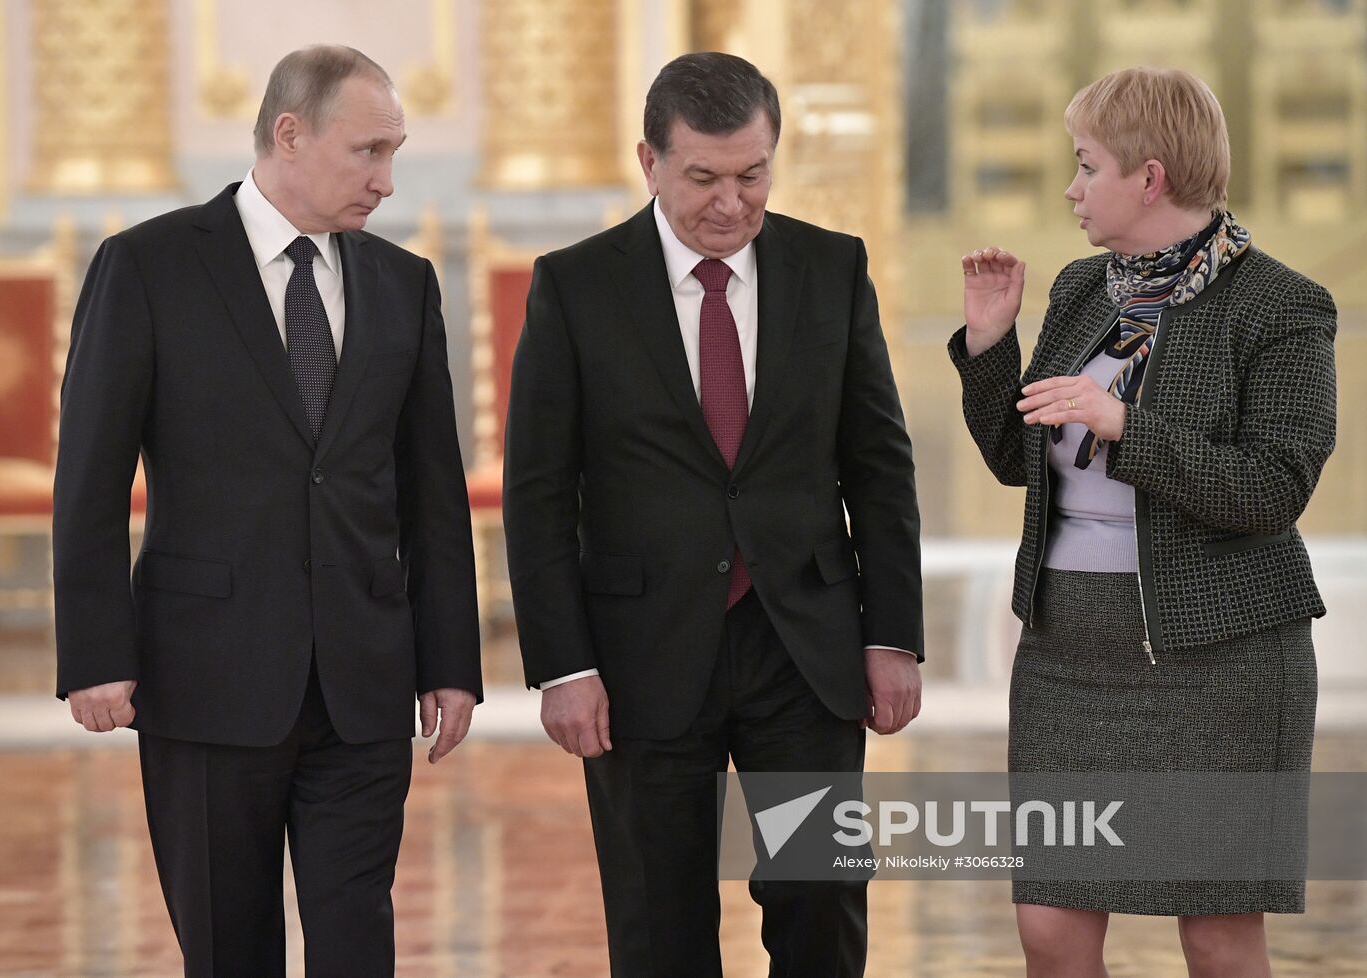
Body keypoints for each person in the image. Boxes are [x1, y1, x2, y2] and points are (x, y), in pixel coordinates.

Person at [52, 46, 481, 978]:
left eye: (396, 152)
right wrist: (94, 655)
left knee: (356, 944)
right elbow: (86, 483)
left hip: (364, 684)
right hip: (205, 681)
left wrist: (451, 662)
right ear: (289, 133)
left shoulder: (404, 284)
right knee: (227, 950)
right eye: (369, 151)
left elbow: (432, 494)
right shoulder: (147, 267)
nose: (388, 179)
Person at [503, 52, 923, 978]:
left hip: (804, 652)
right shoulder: (574, 286)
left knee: (821, 919)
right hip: (640, 658)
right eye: (703, 178)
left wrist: (894, 636)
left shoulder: (832, 267)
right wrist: (562, 667)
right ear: (648, 162)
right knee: (660, 930)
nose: (731, 203)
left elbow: (879, 468)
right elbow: (538, 492)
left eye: (752, 174)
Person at [952, 66, 1336, 978]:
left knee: (1217, 935)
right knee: (1048, 924)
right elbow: (1020, 462)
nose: (1072, 189)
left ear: (1150, 177)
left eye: (1086, 166)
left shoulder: (1281, 306)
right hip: (1067, 656)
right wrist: (988, 345)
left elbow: (1274, 489)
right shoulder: (1086, 290)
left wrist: (1128, 426)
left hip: (1223, 661)